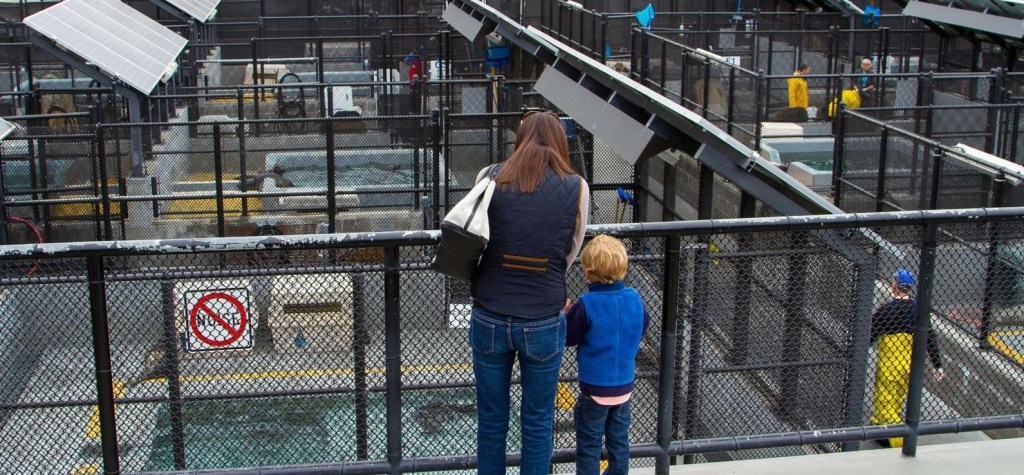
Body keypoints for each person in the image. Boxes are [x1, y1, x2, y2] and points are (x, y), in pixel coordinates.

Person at [468, 109, 590, 474]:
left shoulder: (488, 177)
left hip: (489, 309)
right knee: (537, 423)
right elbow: (571, 250)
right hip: (542, 316)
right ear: (560, 141)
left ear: (519, 139)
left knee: (491, 420)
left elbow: (473, 234)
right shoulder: (576, 186)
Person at [565, 235, 649, 475]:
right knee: (619, 441)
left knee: (589, 444)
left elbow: (570, 337)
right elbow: (642, 324)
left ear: (588, 273)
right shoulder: (634, 298)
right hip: (624, 387)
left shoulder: (587, 303)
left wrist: (567, 314)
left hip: (594, 388)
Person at [869, 269, 945, 448]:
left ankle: (901, 441)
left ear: (895, 284)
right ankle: (880, 428)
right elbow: (930, 337)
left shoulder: (886, 310)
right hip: (908, 366)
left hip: (889, 366)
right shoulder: (918, 310)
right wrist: (937, 365)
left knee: (885, 401)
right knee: (896, 401)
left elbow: (870, 336)